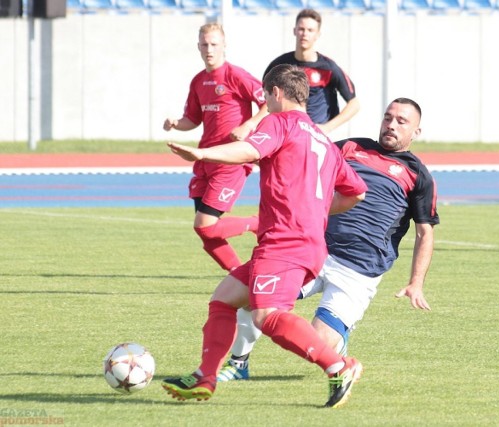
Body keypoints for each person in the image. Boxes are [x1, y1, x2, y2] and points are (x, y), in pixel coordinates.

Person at [161, 64, 368, 408]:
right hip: (299, 241)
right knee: (224, 298)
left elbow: (249, 150)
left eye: (267, 97)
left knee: (266, 316)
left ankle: (338, 365)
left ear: (275, 93)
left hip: (285, 241)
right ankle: (205, 376)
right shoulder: (325, 142)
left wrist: (202, 153)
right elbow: (356, 192)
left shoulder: (279, 122)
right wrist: (315, 211)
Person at [216, 97, 439, 384]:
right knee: (249, 296)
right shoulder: (350, 147)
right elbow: (308, 165)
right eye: (388, 117)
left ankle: (339, 349)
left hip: (358, 271)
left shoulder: (418, 175)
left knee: (318, 340)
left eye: (401, 121)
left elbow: (425, 232)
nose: (391, 125)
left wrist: (416, 282)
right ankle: (238, 363)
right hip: (313, 250)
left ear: (416, 132)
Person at [164, 23, 269, 271]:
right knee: (206, 233)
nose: (209, 49)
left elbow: (269, 103)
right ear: (198, 46)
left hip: (230, 160)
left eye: (213, 44)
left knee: (204, 225)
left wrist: (249, 125)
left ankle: (257, 223)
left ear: (224, 46)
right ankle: (238, 274)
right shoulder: (199, 81)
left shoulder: (236, 75)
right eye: (204, 44)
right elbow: (193, 119)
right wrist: (175, 123)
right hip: (205, 161)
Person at [264, 8, 359, 135]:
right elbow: (266, 98)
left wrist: (328, 127)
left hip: (316, 135)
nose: (305, 34)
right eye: (301, 29)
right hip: (286, 133)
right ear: (294, 31)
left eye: (310, 30)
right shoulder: (279, 65)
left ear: (318, 34)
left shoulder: (328, 67)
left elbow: (354, 104)